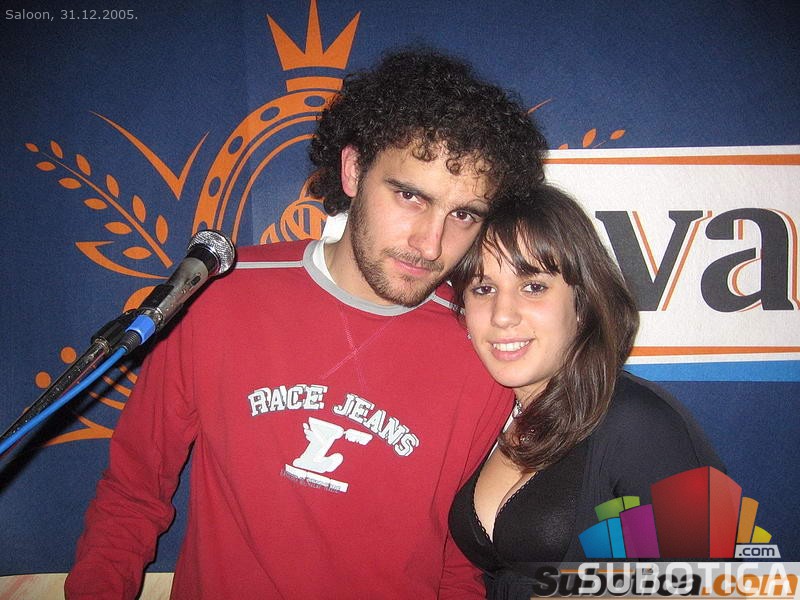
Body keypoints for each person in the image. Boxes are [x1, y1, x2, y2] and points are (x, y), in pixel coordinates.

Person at [65, 48, 548, 599]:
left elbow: (457, 565)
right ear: (353, 169)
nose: (431, 244)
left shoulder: (481, 348)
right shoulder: (218, 297)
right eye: (411, 196)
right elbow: (132, 495)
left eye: (462, 214)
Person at [447, 185, 724, 598]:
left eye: (533, 286)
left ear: (581, 303)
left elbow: (710, 584)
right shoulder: (492, 417)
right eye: (483, 289)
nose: (502, 315)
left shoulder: (640, 424)